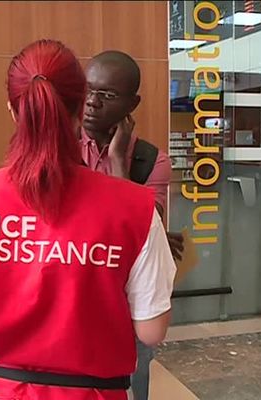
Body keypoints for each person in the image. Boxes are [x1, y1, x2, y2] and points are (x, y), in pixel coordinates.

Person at [0, 39, 176, 400]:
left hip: (6, 390)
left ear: (11, 108)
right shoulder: (135, 207)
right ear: (81, 105)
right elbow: (151, 330)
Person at [81, 50, 182, 400]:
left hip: (126, 307)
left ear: (132, 103)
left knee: (130, 388)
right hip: (70, 298)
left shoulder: (150, 161)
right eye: (87, 90)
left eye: (107, 95)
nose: (91, 102)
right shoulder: (57, 149)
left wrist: (118, 164)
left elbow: (142, 234)